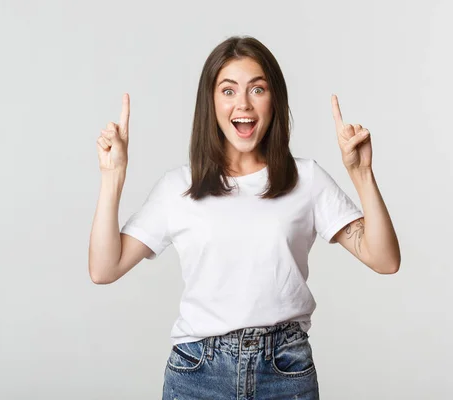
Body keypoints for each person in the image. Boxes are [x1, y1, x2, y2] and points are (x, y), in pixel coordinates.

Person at [89, 35, 400, 399]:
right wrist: (113, 178)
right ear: (211, 103)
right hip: (198, 374)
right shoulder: (178, 187)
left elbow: (385, 259)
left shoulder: (307, 180)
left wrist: (362, 174)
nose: (243, 104)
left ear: (274, 100)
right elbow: (104, 269)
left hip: (285, 371)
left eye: (257, 89)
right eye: (228, 90)